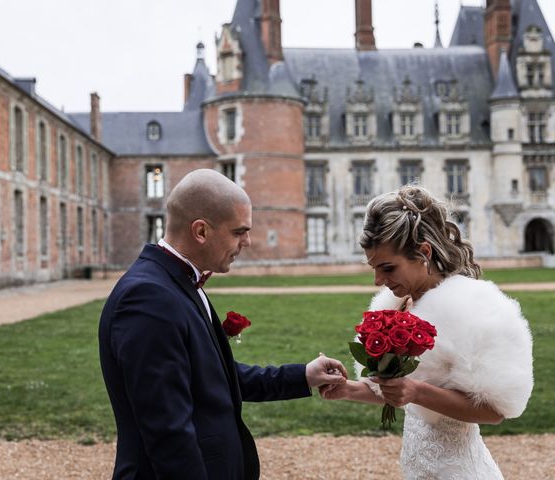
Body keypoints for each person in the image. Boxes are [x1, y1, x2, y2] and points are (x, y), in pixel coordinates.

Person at [98, 168, 347, 480]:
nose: (248, 242)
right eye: (238, 232)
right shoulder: (148, 298)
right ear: (201, 231)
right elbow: (167, 431)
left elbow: (212, 376)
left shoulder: (175, 282)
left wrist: (301, 375)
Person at [320, 185, 533, 479]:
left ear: (423, 252)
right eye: (374, 268)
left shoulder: (477, 308)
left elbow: (494, 411)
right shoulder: (397, 305)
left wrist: (416, 391)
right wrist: (347, 390)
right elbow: (399, 392)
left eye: (388, 268)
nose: (378, 280)